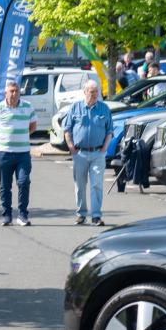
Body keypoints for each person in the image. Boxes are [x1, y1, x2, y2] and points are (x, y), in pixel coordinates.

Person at [63, 80, 113, 226]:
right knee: (80, 185)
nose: (95, 94)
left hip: (98, 153)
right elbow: (67, 129)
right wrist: (71, 147)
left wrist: (104, 149)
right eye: (92, 92)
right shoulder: (75, 107)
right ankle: (81, 214)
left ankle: (96, 216)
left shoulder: (104, 108)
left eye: (96, 91)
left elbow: (109, 131)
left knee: (96, 184)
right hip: (80, 154)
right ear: (85, 92)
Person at [0, 80, 37, 226]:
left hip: (23, 153)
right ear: (6, 93)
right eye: (11, 91)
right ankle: (7, 215)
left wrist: (21, 136)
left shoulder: (28, 107)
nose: (14, 94)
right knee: (5, 185)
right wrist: (1, 139)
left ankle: (22, 215)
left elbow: (33, 126)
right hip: (4, 153)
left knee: (24, 182)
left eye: (16, 91)